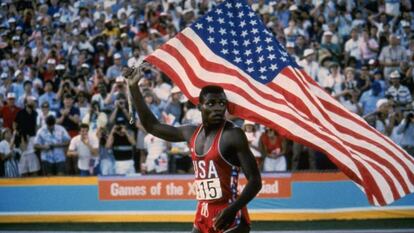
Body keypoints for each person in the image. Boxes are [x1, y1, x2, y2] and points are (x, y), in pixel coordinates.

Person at [125, 65, 261, 233]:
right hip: (202, 212)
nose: (218, 108)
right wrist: (133, 88)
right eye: (211, 103)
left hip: (230, 213)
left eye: (221, 103)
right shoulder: (191, 132)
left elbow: (255, 181)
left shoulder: (233, 134)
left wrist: (233, 209)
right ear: (200, 107)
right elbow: (152, 126)